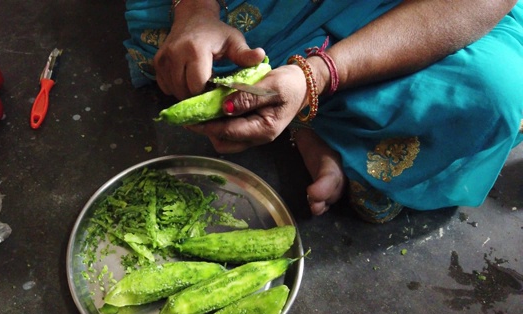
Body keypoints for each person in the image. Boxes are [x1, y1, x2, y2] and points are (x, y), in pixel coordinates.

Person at [123, 0, 523, 223]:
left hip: (417, 14)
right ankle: (325, 121)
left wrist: (317, 75)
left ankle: (304, 107)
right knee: (193, 56)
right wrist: (195, 11)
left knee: (492, 92)